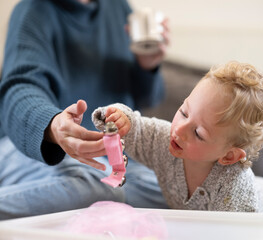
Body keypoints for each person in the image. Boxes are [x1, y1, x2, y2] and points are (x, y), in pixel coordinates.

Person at [0, 0, 170, 220]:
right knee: (100, 189)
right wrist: (52, 125)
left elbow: (148, 98)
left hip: (111, 162)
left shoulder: (119, 9)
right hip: (36, 151)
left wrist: (147, 66)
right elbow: (19, 88)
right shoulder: (33, 11)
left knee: (177, 193)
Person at [92, 61, 263, 213]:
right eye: (183, 112)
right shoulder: (166, 140)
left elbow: (245, 232)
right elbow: (137, 130)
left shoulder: (236, 195)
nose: (179, 129)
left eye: (198, 133)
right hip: (261, 186)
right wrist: (120, 118)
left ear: (229, 156)